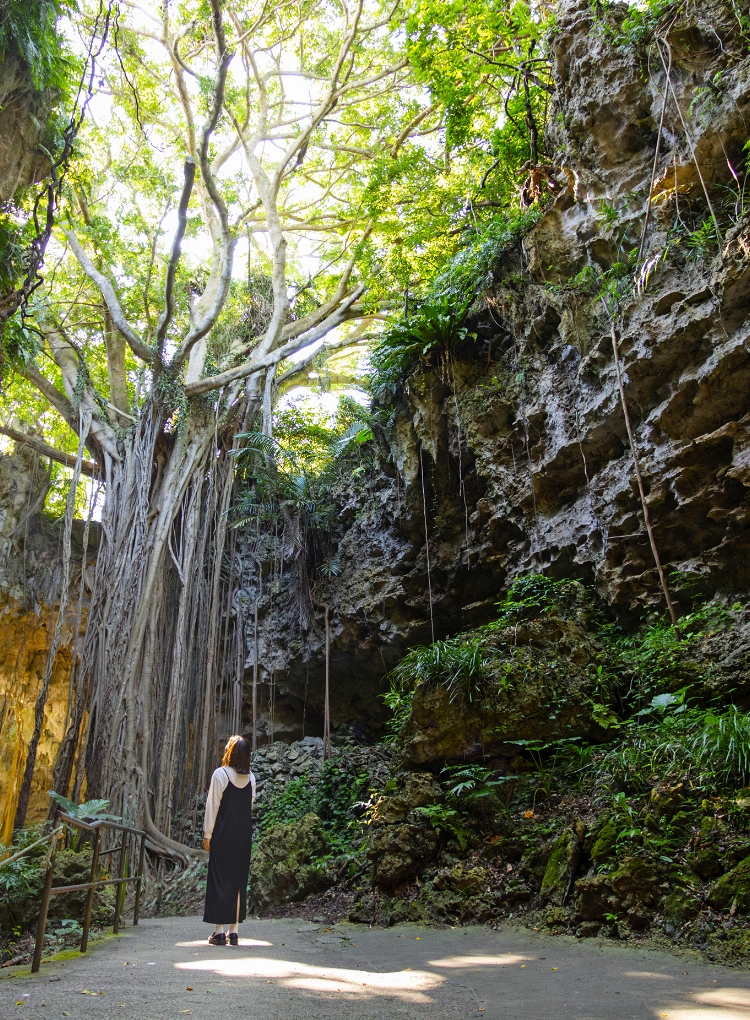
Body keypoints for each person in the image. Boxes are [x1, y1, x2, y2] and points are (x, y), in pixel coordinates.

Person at [202, 734, 256, 946]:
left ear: (230, 754)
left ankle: (219, 932)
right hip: (243, 837)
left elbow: (212, 806)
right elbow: (248, 808)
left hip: (223, 835)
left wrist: (208, 834)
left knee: (219, 880)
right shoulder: (251, 778)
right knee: (238, 882)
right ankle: (234, 931)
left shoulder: (220, 774)